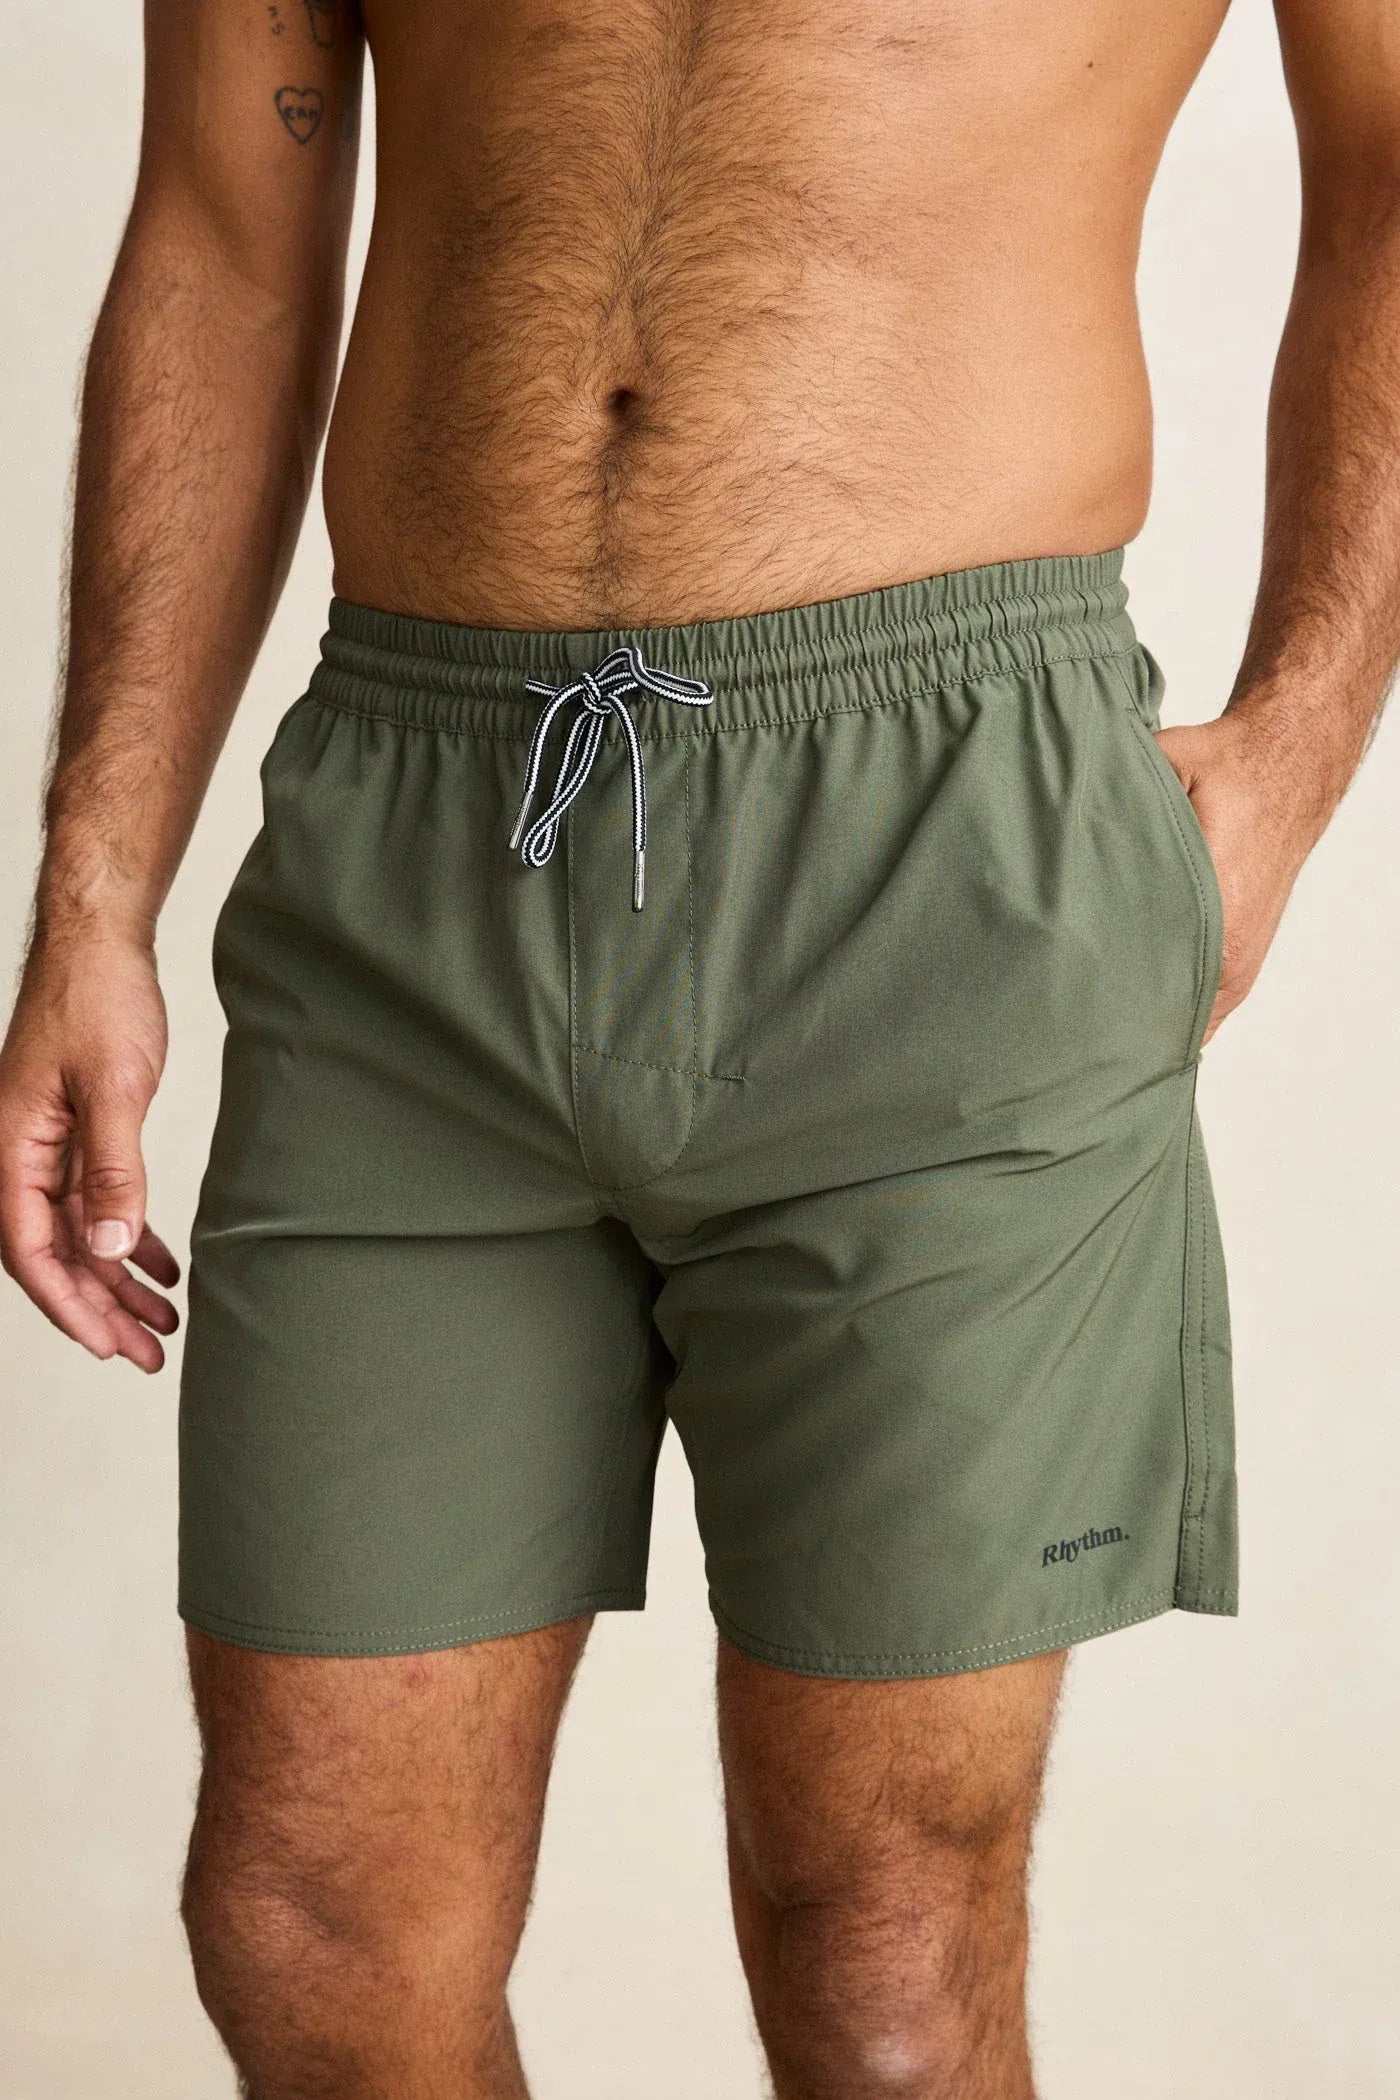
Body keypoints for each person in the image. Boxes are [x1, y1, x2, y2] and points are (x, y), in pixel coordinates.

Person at [1, 1, 1395, 2092]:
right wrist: (94, 892)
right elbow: (222, 225)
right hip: (413, 857)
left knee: (888, 1964)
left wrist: (1292, 747)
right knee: (308, 1926)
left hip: (944, 846)